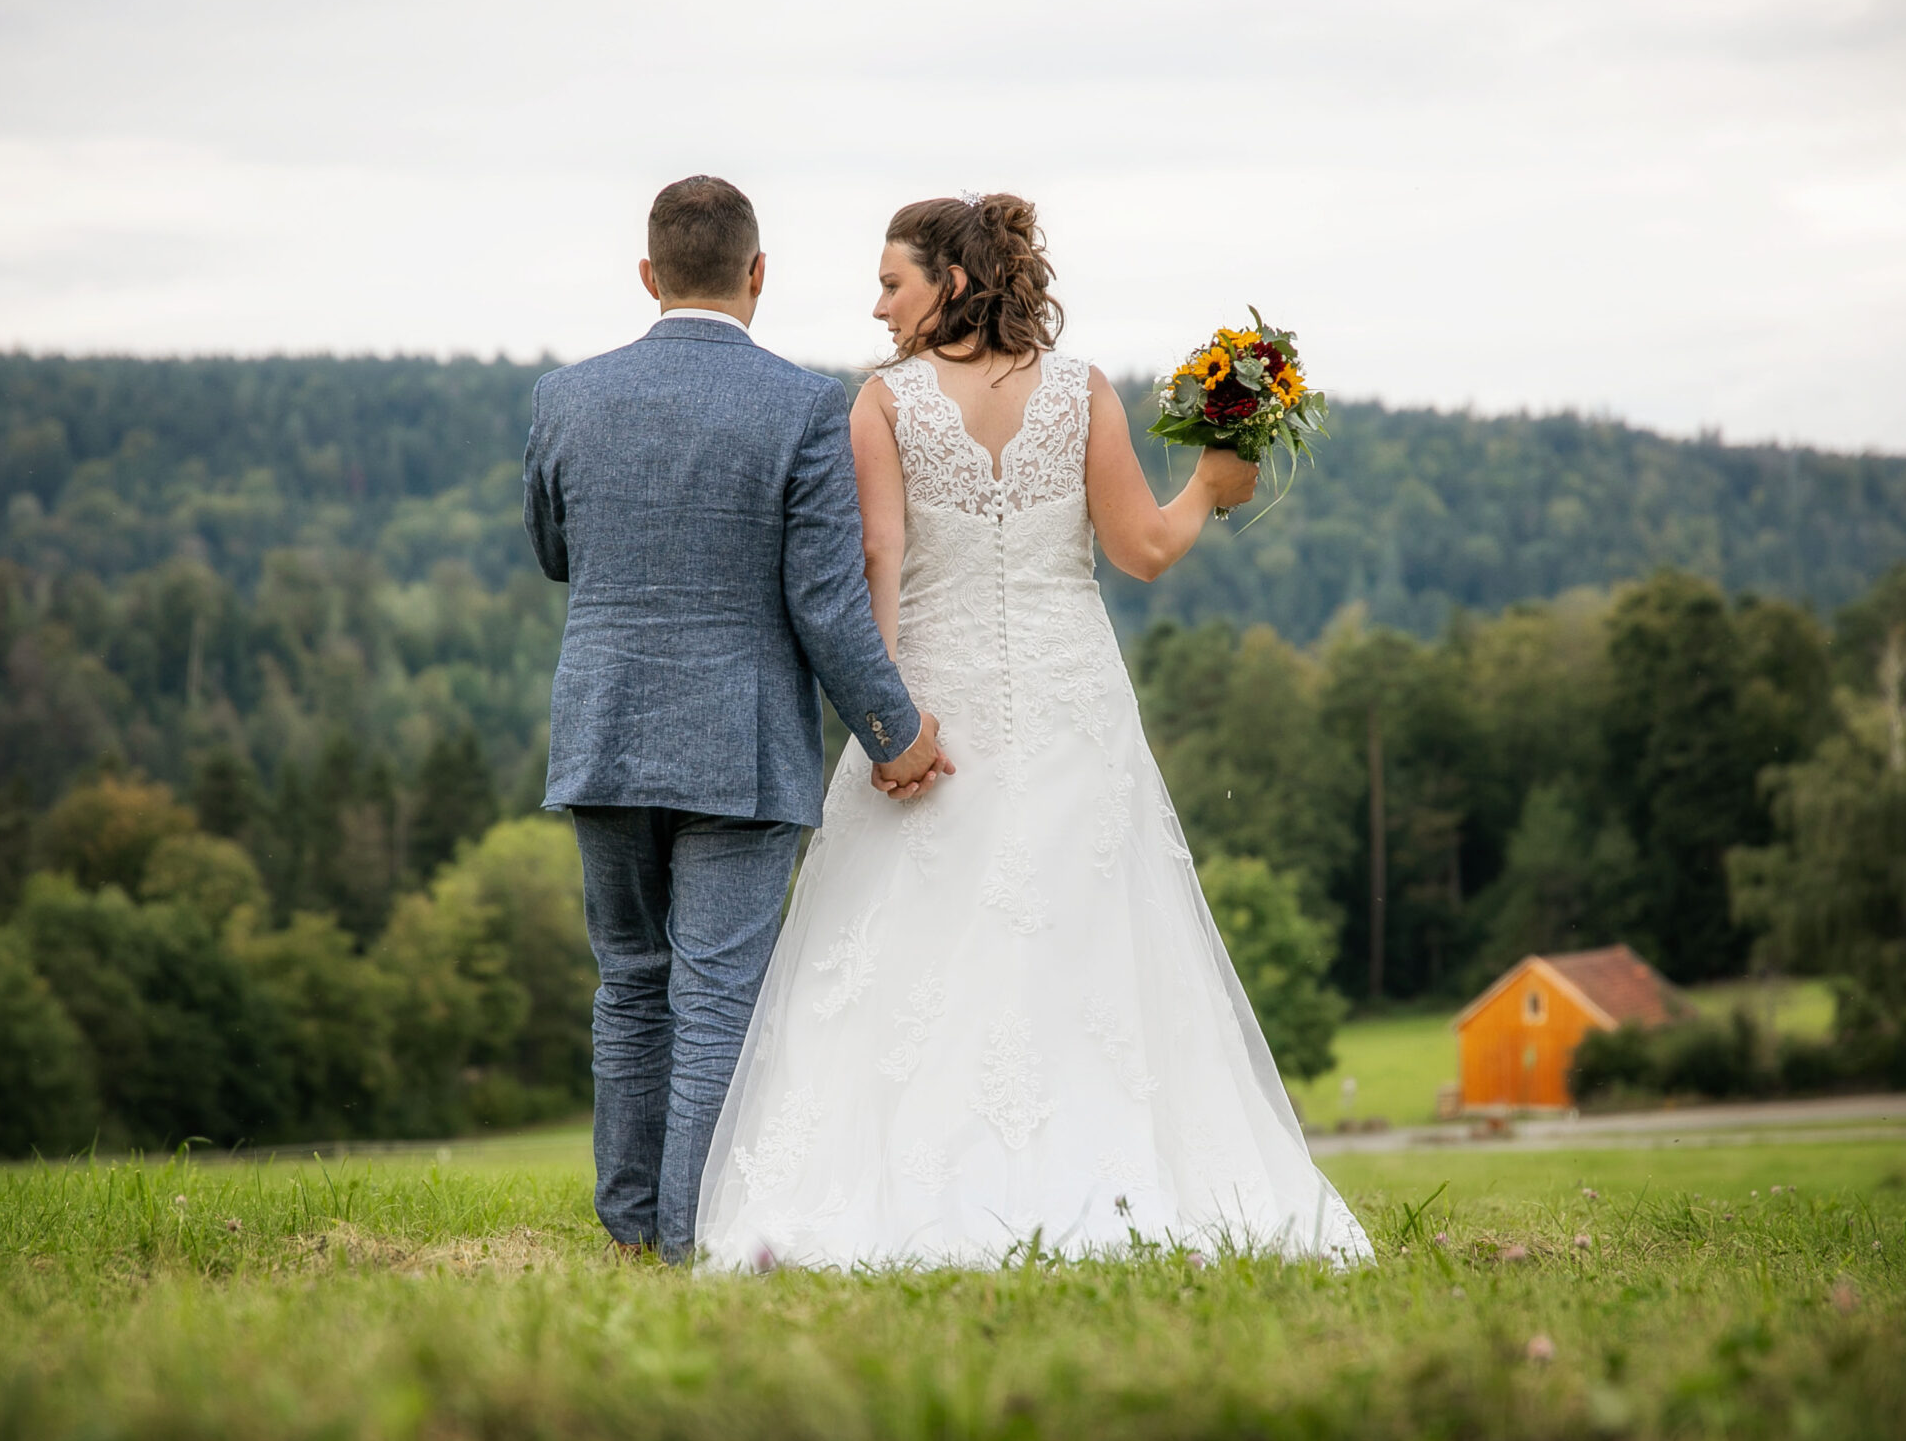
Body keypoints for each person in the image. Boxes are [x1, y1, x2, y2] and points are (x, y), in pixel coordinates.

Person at [694, 193, 1372, 1269]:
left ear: (950, 282)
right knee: (1089, 936)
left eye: (891, 282)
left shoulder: (884, 406)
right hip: (1072, 706)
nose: (876, 307)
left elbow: (879, 563)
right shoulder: (1080, 393)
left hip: (931, 712)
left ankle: (908, 1191)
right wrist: (1210, 485)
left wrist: (884, 727)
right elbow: (1145, 550)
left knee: (905, 948)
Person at [524, 175, 953, 1264]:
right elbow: (825, 601)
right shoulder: (805, 407)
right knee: (717, 998)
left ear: (647, 276)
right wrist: (895, 730)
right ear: (757, 274)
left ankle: (629, 1232)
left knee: (630, 985)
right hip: (738, 740)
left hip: (604, 729)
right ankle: (693, 1237)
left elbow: (555, 554)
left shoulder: (565, 400)